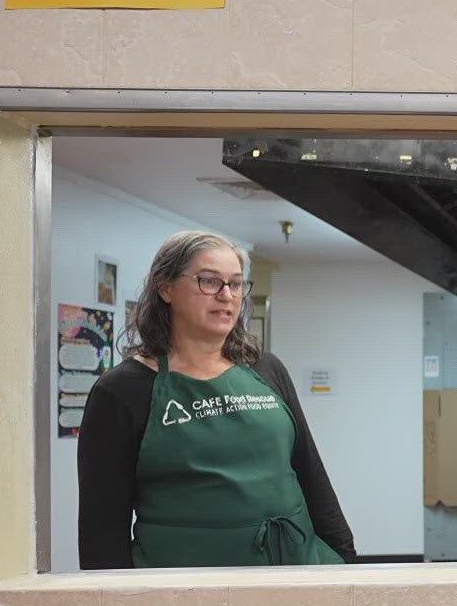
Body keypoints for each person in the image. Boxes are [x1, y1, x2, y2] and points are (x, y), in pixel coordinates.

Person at [77, 231, 354, 569]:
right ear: (165, 288)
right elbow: (102, 521)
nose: (226, 296)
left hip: (292, 569)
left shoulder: (267, 369)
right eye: (209, 281)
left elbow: (311, 475)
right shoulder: (122, 390)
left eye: (236, 284)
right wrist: (110, 603)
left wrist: (347, 564)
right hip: (181, 587)